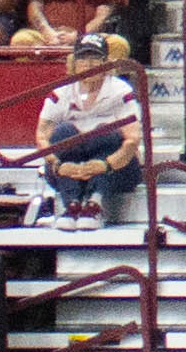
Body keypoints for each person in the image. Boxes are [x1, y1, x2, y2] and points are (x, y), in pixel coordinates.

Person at [34, 41, 149, 226]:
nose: (88, 65)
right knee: (64, 133)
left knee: (105, 133)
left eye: (95, 59)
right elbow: (42, 136)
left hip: (116, 166)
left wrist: (105, 165)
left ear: (106, 63)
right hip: (72, 163)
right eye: (83, 59)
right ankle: (72, 205)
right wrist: (57, 165)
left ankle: (95, 203)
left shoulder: (121, 91)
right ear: (74, 63)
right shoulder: (61, 92)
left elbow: (132, 140)